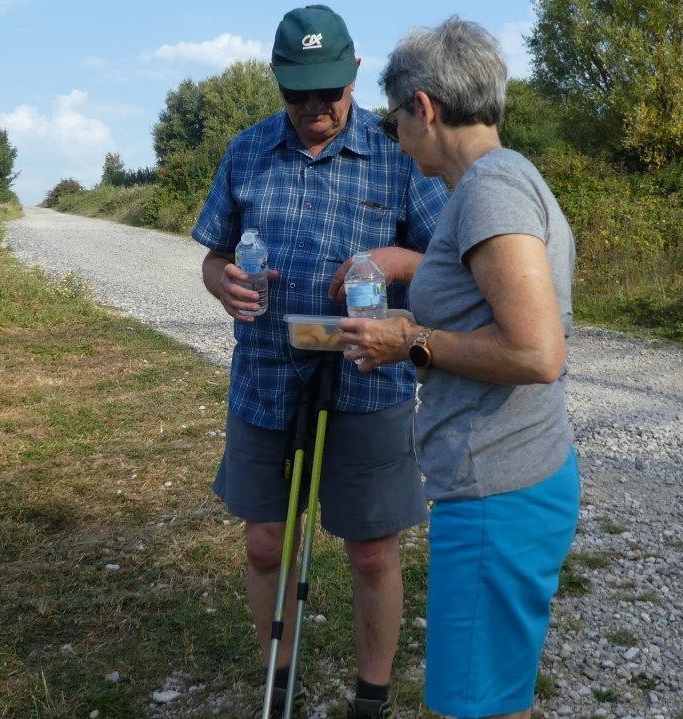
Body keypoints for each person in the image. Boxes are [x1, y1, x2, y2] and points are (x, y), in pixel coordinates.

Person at [191, 5, 449, 717]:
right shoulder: (247, 153)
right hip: (266, 376)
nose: (314, 109)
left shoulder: (402, 153)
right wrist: (224, 283)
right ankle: (279, 677)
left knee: (371, 549)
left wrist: (395, 260)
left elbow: (447, 262)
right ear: (278, 85)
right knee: (266, 543)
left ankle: (371, 694)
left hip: (371, 379)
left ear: (354, 76)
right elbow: (214, 255)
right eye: (297, 95)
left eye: (328, 94)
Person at [338, 17, 580, 719]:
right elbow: (490, 299)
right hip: (516, 477)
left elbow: (537, 353)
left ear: (426, 108)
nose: (395, 137)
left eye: (395, 120)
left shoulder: (488, 191)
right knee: (497, 694)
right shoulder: (504, 180)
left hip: (495, 487)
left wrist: (410, 342)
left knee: (472, 704)